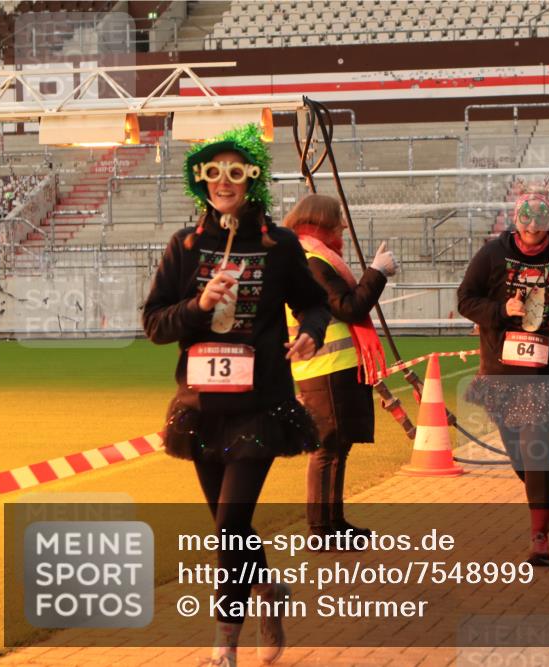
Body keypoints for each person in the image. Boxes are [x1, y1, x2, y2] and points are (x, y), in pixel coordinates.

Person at [143, 124, 331, 667]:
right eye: (213, 172)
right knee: (234, 527)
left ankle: (223, 649)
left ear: (252, 180)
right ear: (199, 180)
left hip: (260, 405)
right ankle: (268, 590)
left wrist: (310, 332)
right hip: (202, 410)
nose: (224, 182)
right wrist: (199, 306)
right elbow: (155, 324)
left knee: (229, 525)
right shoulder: (184, 246)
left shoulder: (280, 244)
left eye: (235, 171)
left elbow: (315, 303)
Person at [458, 187, 549, 566]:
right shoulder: (491, 255)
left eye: (540, 217)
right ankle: (541, 499)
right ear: (516, 218)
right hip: (502, 374)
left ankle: (539, 535)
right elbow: (465, 299)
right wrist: (502, 309)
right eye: (526, 216)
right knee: (519, 455)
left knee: (538, 449)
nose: (533, 225)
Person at [282, 194, 399, 544]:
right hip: (326, 368)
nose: (344, 227)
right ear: (321, 222)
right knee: (329, 447)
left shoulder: (311, 257)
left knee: (337, 445)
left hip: (332, 366)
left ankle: (333, 523)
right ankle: (322, 528)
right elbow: (349, 307)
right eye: (338, 221)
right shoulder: (314, 260)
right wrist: (376, 273)